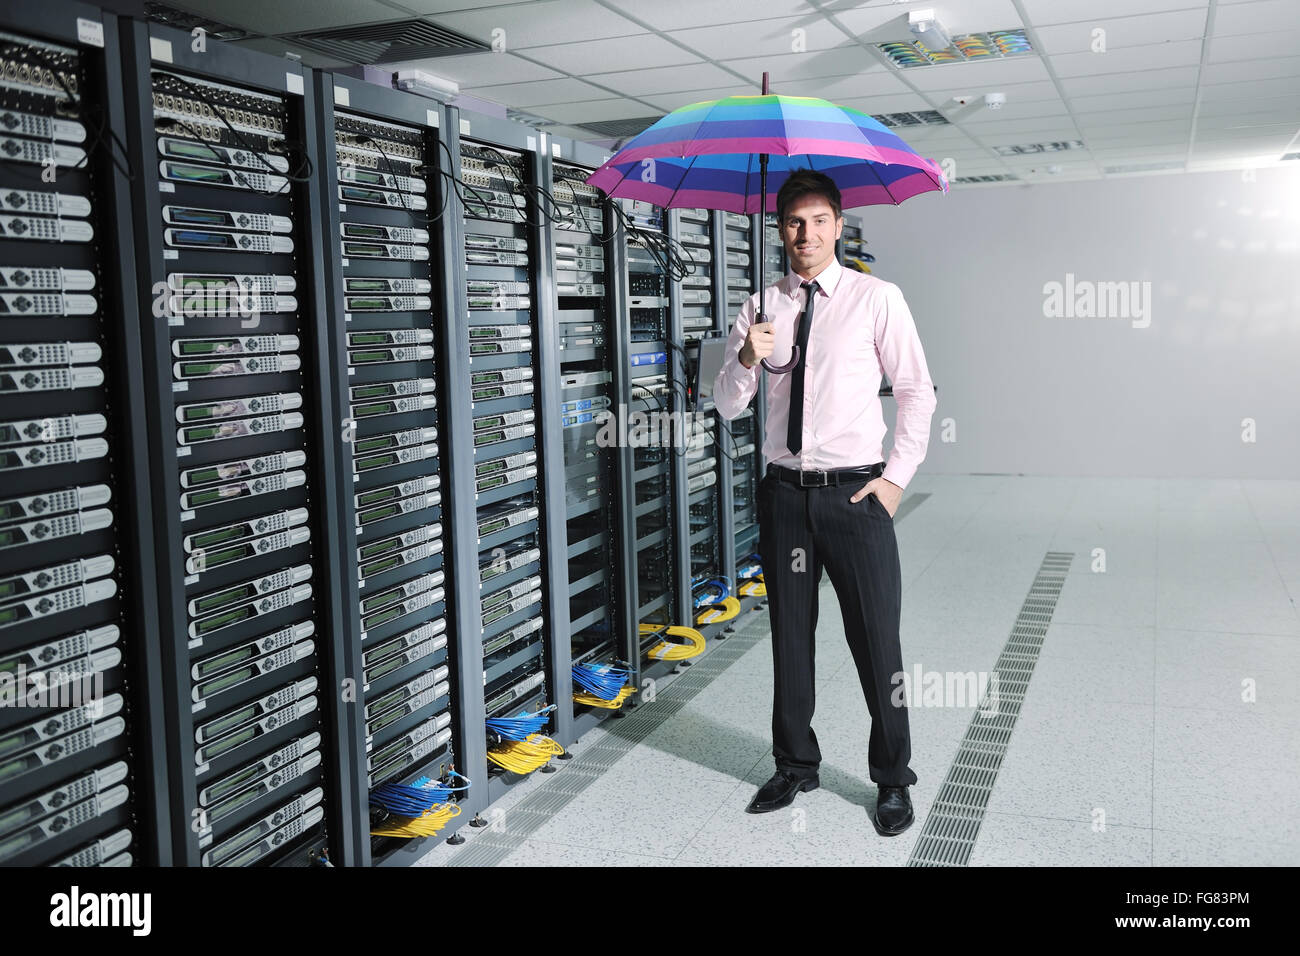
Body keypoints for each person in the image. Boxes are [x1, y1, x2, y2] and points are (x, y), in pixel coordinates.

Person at [712, 168, 937, 836]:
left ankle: (893, 779)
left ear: (837, 226)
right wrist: (744, 359)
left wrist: (896, 479)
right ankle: (795, 762)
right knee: (789, 640)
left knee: (876, 644)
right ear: (778, 229)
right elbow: (727, 406)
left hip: (854, 496)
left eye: (817, 221)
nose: (804, 234)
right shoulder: (759, 307)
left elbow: (918, 390)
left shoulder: (877, 299)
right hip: (785, 498)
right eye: (792, 222)